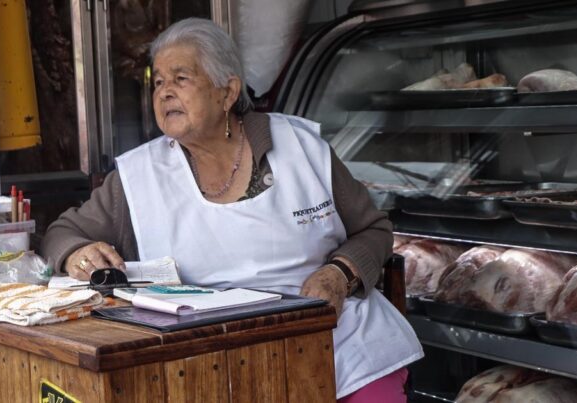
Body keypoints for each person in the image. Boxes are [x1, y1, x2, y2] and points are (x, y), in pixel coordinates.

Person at [42, 18, 423, 402]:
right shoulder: (138, 176)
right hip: (214, 363)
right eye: (157, 82)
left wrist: (340, 274)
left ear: (227, 92)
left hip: (339, 341)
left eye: (181, 78)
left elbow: (374, 230)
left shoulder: (301, 147)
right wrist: (77, 253)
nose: (164, 92)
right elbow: (61, 234)